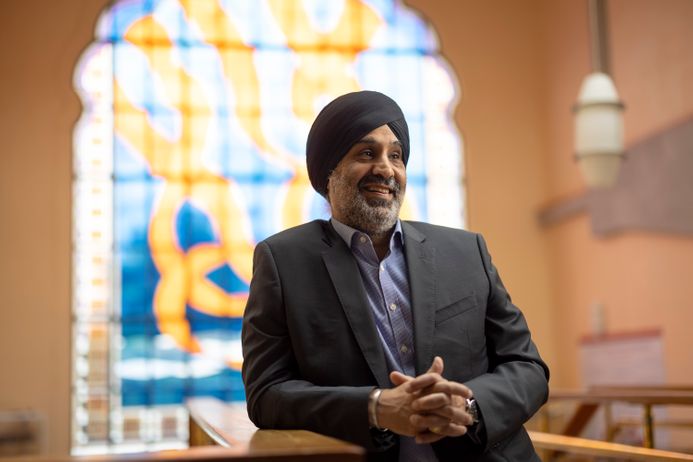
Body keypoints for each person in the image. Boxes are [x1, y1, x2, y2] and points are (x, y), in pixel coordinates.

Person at [241, 90, 549, 461]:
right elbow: (266, 395)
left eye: (396, 155)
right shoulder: (282, 262)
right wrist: (376, 407)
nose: (386, 169)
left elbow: (527, 366)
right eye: (366, 153)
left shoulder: (467, 252)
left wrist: (469, 405)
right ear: (328, 172)